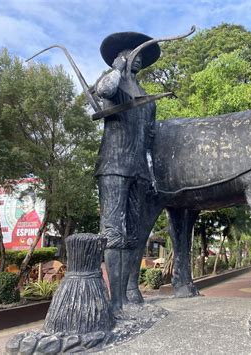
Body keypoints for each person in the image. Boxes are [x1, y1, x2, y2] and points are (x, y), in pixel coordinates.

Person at [94, 32, 161, 316]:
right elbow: (105, 91)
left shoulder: (148, 99)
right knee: (113, 232)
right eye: (134, 52)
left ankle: (124, 299)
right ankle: (115, 301)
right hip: (113, 167)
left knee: (132, 235)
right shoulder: (112, 81)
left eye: (142, 54)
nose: (140, 57)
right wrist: (117, 69)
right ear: (121, 56)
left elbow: (148, 139)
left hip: (139, 171)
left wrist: (152, 172)